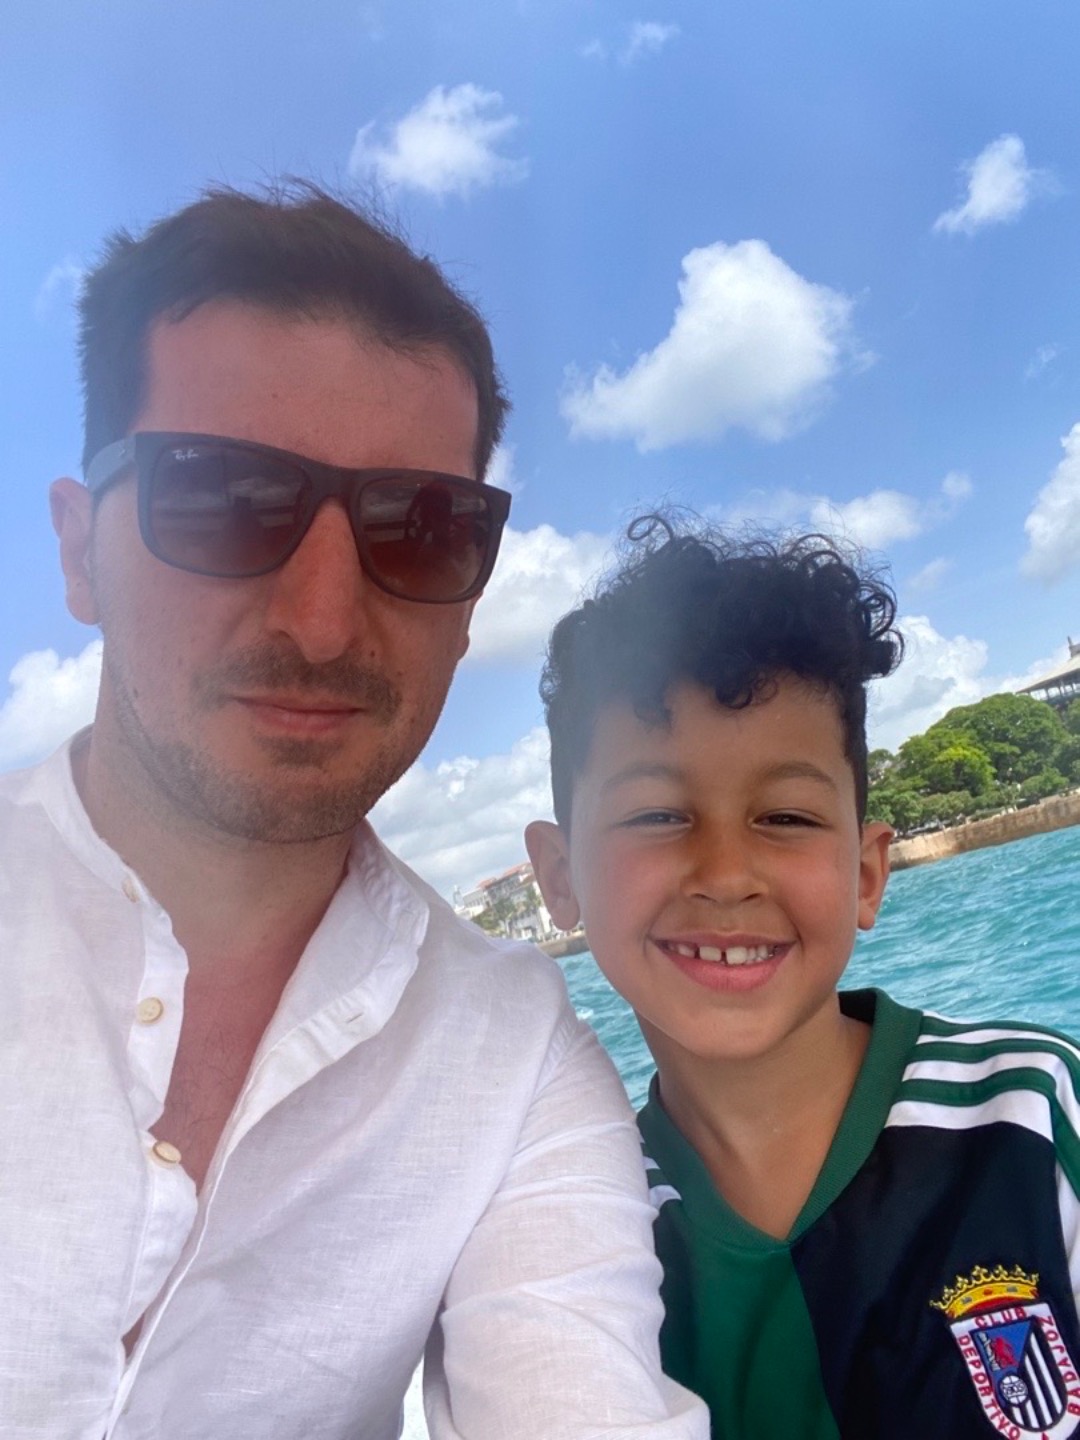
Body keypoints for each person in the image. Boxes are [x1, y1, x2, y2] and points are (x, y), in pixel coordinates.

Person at [0, 187, 706, 1440]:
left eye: (422, 529)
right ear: (76, 550)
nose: (324, 624)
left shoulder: (512, 1059)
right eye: (222, 498)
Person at [526, 516, 1080, 1439]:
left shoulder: (1033, 1113)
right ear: (559, 878)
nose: (725, 873)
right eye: (657, 814)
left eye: (785, 816)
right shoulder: (581, 1237)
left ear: (866, 873)